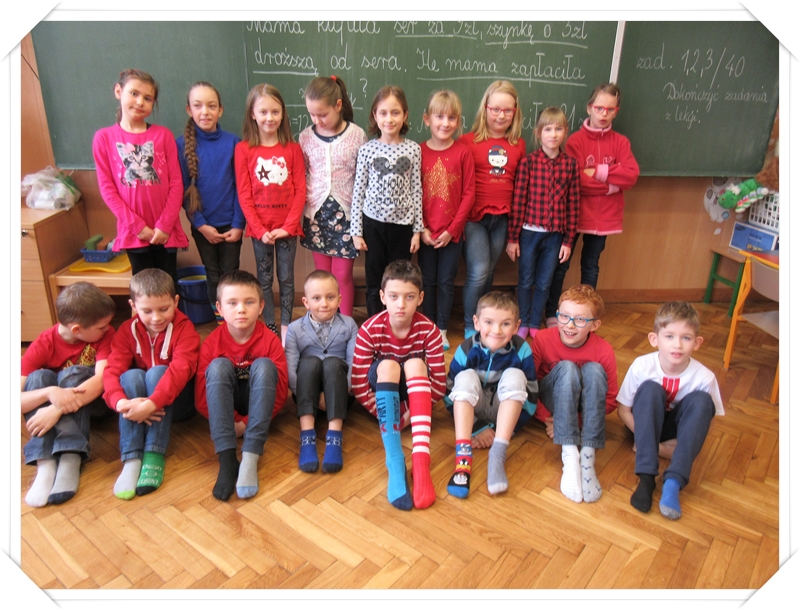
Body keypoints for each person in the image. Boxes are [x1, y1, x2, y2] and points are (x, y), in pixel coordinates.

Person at [350, 260, 446, 510]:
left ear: (420, 298)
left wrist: (409, 417)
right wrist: (390, 418)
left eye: (409, 297)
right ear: (383, 297)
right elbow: (359, 384)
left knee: (415, 364)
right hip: (385, 393)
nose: (401, 304)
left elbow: (439, 384)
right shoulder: (369, 330)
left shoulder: (430, 331)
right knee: (389, 366)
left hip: (414, 397)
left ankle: (421, 460)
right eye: (394, 296)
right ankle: (394, 459)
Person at [617, 301, 724, 520]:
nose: (677, 345)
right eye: (669, 336)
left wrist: (680, 445)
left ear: (697, 343)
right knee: (650, 389)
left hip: (674, 431)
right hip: (642, 424)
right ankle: (646, 478)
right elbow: (623, 411)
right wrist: (646, 439)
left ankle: (673, 482)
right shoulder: (641, 366)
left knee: (703, 401)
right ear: (654, 339)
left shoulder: (705, 377)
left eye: (686, 338)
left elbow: (705, 420)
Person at [545, 83, 640, 327]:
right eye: (599, 108)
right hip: (574, 215)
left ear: (616, 111)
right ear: (589, 108)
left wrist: (597, 171)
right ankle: (553, 311)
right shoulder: (575, 141)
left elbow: (631, 175)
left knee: (590, 266)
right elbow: (576, 181)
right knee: (560, 266)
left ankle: (586, 315)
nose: (604, 113)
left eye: (610, 109)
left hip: (605, 219)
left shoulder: (621, 142)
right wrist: (612, 185)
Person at [102, 269, 200, 500]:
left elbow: (180, 371)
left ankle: (154, 453)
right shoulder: (126, 331)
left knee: (157, 372)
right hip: (141, 405)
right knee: (131, 376)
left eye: (163, 309)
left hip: (178, 404)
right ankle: (132, 459)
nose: (156, 318)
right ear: (133, 306)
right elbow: (112, 370)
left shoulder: (186, 330)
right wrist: (120, 402)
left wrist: (151, 404)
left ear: (176, 302)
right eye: (147, 311)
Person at [195, 270, 288, 501]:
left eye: (249, 302)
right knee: (217, 366)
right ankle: (227, 458)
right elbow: (202, 396)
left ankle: (250, 455)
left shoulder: (270, 341)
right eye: (232, 303)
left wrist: (245, 424)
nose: (241, 309)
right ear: (219, 307)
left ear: (261, 306)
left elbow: (280, 392)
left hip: (259, 407)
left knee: (265, 365)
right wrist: (232, 424)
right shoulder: (212, 343)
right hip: (227, 409)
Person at [21, 282, 116, 507]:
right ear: (76, 329)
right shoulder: (43, 343)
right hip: (65, 412)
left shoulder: (106, 335)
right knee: (38, 378)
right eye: (101, 327)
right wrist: (50, 392)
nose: (107, 329)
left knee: (73, 373)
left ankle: (70, 456)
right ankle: (45, 463)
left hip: (95, 405)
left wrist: (56, 408)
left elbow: (102, 380)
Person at [92, 69, 188, 286]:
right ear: (118, 91)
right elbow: (107, 189)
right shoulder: (104, 138)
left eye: (147, 98)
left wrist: (165, 225)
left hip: (165, 231)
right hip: (134, 233)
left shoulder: (163, 136)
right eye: (134, 93)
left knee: (168, 286)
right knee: (144, 289)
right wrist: (137, 227)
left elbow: (176, 184)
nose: (140, 102)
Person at [444, 291, 537, 499]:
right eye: (489, 322)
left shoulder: (522, 350)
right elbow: (450, 394)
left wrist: (496, 432)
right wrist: (477, 428)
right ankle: (463, 458)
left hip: (504, 413)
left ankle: (498, 453)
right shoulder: (466, 349)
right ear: (477, 323)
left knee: (516, 376)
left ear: (516, 326)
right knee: (464, 377)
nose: (496, 330)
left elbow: (530, 399)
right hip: (474, 410)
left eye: (505, 324)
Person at [531, 284, 618, 503]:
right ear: (557, 315)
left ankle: (587, 457)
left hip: (583, 408)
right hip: (551, 398)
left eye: (580, 320)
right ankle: (569, 455)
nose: (569, 325)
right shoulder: (542, 338)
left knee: (594, 370)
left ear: (594, 325)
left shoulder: (604, 350)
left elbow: (610, 399)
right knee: (568, 368)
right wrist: (547, 417)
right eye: (564, 317)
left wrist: (573, 421)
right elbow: (527, 384)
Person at [235, 84, 306, 342]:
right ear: (252, 114)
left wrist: (288, 226)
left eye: (275, 111)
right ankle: (269, 325)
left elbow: (300, 191)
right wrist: (259, 229)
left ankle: (286, 324)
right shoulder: (244, 149)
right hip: (260, 230)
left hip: (287, 229)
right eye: (263, 112)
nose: (269, 117)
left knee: (286, 278)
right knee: (264, 279)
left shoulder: (293, 149)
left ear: (282, 113)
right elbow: (244, 194)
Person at [460, 80, 526, 338]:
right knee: (478, 272)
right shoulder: (467, 141)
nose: (501, 115)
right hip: (474, 218)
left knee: (488, 274)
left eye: (507, 110)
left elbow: (520, 185)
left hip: (503, 218)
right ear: (485, 109)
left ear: (515, 112)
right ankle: (471, 325)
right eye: (495, 109)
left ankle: (487, 320)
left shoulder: (518, 144)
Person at [507, 107, 579, 340]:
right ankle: (523, 321)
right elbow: (518, 201)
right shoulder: (528, 163)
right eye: (548, 129)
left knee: (544, 282)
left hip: (555, 236)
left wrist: (568, 241)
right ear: (538, 133)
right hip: (529, 233)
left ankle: (535, 322)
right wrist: (513, 238)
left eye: (558, 129)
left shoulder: (571, 165)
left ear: (565, 132)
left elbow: (573, 205)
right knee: (525, 280)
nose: (553, 134)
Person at [350, 86, 423, 317]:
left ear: (405, 115)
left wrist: (417, 231)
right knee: (374, 280)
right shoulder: (367, 150)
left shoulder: (413, 150)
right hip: (373, 225)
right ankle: (375, 323)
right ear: (374, 115)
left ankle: (396, 323)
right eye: (383, 113)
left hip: (403, 227)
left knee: (399, 280)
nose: (389, 119)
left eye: (395, 112)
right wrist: (356, 232)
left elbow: (416, 190)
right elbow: (358, 191)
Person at [299, 75, 368, 317]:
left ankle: (345, 324)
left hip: (346, 216)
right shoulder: (305, 137)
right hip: (317, 215)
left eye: (322, 114)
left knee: (342, 275)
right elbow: (303, 173)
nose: (317, 120)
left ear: (338, 105)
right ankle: (326, 321)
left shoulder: (357, 135)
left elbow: (363, 177)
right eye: (312, 115)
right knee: (323, 276)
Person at [177, 81, 244, 322]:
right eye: (198, 106)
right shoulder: (180, 145)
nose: (205, 112)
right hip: (203, 225)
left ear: (220, 110)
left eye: (211, 106)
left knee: (230, 274)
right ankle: (221, 322)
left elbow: (241, 188)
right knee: (213, 273)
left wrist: (238, 224)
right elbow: (183, 190)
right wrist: (201, 225)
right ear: (189, 110)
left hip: (231, 225)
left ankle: (234, 320)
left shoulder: (233, 143)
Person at [284, 270, 358, 474]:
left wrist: (347, 388)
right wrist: (313, 396)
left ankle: (334, 437)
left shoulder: (349, 325)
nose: (324, 303)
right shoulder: (294, 329)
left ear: (339, 299)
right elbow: (290, 368)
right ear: (306, 302)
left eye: (330, 297)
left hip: (341, 392)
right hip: (307, 393)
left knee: (333, 363)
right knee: (308, 363)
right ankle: (307, 436)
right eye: (317, 298)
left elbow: (354, 362)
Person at [418, 89, 475, 350]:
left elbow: (469, 194)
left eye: (452, 118)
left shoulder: (463, 152)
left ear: (458, 121)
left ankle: (441, 328)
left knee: (446, 282)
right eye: (439, 117)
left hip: (452, 235)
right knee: (428, 281)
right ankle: (428, 327)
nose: (445, 123)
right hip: (426, 233)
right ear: (427, 119)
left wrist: (452, 230)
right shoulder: (418, 151)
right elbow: (413, 192)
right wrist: (422, 229)